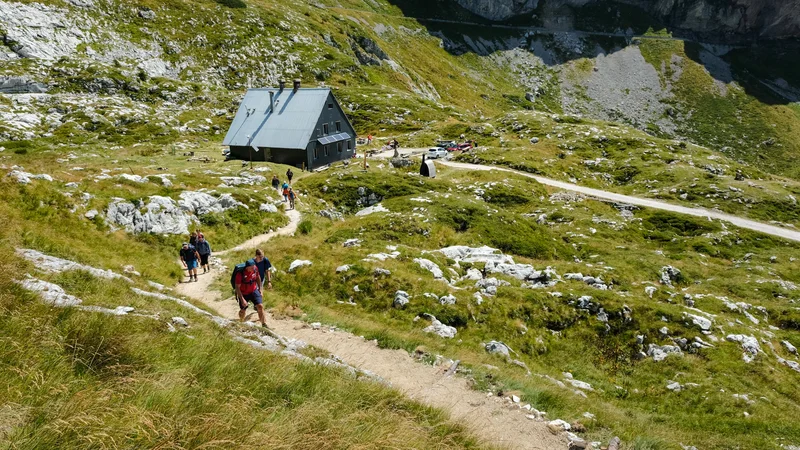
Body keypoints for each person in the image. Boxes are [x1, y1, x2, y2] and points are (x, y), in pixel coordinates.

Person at [235, 259, 267, 328]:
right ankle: (241, 321)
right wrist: (242, 299)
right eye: (252, 267)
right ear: (247, 267)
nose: (253, 268)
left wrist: (260, 288)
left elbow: (258, 277)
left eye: (254, 266)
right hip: (243, 293)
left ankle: (264, 324)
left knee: (260, 306)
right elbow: (237, 287)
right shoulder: (240, 274)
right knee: (243, 309)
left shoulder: (255, 269)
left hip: (253, 290)